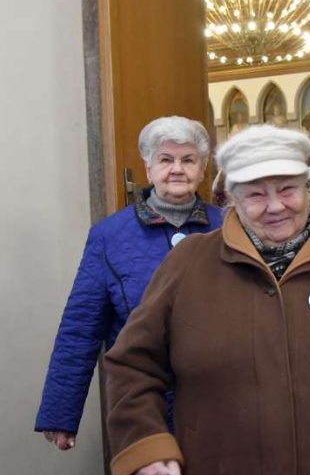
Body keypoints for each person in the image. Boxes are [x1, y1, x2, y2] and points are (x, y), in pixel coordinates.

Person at [104, 125, 310, 475]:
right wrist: (145, 447)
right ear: (230, 200)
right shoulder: (187, 263)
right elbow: (132, 365)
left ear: (308, 190)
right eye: (255, 194)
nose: (275, 206)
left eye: (287, 189)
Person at [35, 116, 222, 450]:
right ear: (148, 169)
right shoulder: (109, 236)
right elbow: (81, 327)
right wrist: (62, 412)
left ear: (203, 168)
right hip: (141, 402)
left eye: (188, 159)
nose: (177, 169)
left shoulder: (230, 227)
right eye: (166, 159)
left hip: (221, 402)